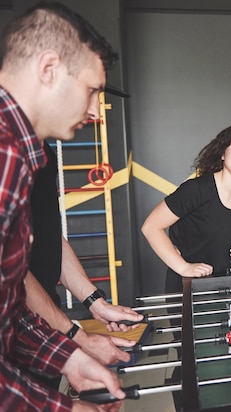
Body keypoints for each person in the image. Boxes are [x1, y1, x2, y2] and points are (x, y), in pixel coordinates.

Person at [0, 2, 127, 410]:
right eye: (91, 90)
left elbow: (8, 303)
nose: (95, 110)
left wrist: (68, 357)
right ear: (49, 69)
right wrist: (67, 408)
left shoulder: (23, 152)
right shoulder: (4, 154)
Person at [26, 141, 144, 390]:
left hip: (42, 329)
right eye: (89, 99)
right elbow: (12, 273)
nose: (93, 110)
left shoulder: (42, 151)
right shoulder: (9, 154)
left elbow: (49, 236)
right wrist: (77, 338)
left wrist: (95, 303)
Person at [142, 123, 231, 296]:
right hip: (186, 285)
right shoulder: (196, 190)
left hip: (223, 284)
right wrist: (183, 267)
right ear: (223, 153)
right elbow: (150, 227)